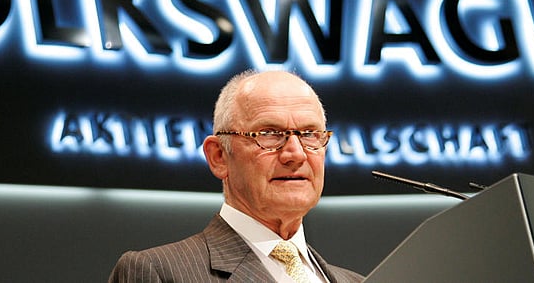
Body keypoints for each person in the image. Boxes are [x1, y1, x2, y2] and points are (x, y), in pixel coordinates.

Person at [108, 70, 365, 282]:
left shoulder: (357, 281)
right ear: (219, 156)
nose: (295, 154)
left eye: (309, 134)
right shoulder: (158, 273)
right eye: (269, 134)